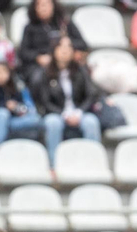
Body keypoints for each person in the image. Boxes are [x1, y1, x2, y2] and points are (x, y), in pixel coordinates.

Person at [31, 36, 102, 168]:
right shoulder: (44, 73)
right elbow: (45, 101)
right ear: (53, 50)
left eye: (68, 47)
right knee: (53, 123)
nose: (65, 50)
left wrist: (79, 112)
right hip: (56, 113)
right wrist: (64, 114)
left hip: (78, 112)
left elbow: (91, 94)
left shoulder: (81, 70)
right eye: (61, 47)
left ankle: (94, 163)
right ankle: (54, 164)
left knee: (91, 122)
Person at [18, 0, 85, 82]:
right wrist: (38, 58)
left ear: (53, 6)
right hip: (40, 65)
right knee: (39, 77)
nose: (43, 8)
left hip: (65, 62)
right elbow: (23, 52)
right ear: (34, 8)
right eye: (40, 5)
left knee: (82, 72)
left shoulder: (64, 23)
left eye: (46, 4)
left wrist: (68, 45)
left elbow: (82, 44)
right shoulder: (30, 28)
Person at [0, 61, 42, 144]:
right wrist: (5, 106)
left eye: (4, 71)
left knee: (35, 119)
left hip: (13, 120)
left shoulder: (15, 88)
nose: (1, 75)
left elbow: (23, 107)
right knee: (2, 114)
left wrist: (16, 107)